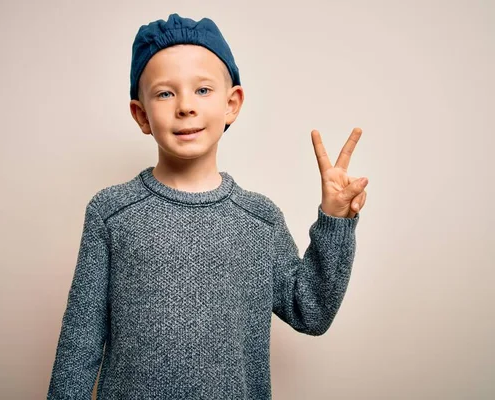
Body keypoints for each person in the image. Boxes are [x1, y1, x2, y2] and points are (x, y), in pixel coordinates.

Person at [47, 13, 369, 400]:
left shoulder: (259, 220)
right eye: (165, 93)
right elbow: (80, 344)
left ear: (232, 104)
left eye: (202, 90)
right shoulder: (111, 212)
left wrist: (335, 222)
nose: (185, 106)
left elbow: (311, 311)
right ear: (141, 114)